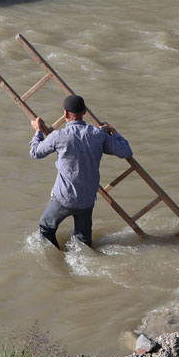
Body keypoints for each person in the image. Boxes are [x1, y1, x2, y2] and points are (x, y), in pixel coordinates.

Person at [29, 94, 132, 249]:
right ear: (84, 112)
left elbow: (35, 152)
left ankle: (58, 259)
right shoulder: (98, 135)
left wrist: (37, 131)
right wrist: (113, 132)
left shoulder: (58, 136)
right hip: (87, 200)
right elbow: (126, 152)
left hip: (64, 197)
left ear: (65, 114)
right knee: (83, 241)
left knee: (46, 228)